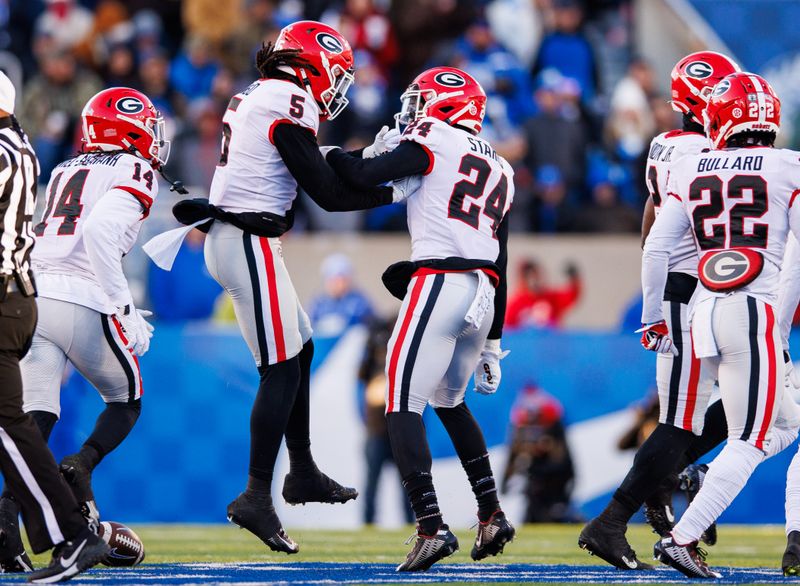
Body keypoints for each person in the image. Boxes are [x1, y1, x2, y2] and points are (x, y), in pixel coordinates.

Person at [164, 21, 416, 554]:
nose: (337, 86)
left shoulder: (261, 93)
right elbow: (325, 193)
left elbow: (315, 171)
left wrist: (363, 163)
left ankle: (300, 471)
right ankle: (257, 493)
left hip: (244, 238)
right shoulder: (287, 98)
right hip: (246, 239)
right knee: (280, 367)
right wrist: (396, 192)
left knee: (299, 348)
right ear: (308, 62)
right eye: (335, 72)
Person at [323, 66, 516, 571]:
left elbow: (363, 177)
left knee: (400, 404)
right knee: (450, 402)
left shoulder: (434, 136)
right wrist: (493, 341)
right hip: (484, 295)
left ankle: (430, 526)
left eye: (420, 101)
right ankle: (492, 512)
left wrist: (337, 155)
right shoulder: (502, 167)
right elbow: (502, 258)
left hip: (440, 282)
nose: (412, 112)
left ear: (444, 105)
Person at [578, 51, 741, 570]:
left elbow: (651, 219)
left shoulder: (665, 145)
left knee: (745, 406)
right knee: (684, 419)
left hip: (692, 288)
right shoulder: (711, 155)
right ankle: (614, 518)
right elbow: (661, 233)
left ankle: (669, 474)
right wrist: (659, 300)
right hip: (696, 290)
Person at [643, 72, 799, 578]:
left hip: (702, 310)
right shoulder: (789, 167)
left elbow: (656, 248)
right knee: (750, 437)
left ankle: (699, 473)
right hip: (754, 308)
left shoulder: (690, 167)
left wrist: (652, 318)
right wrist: (779, 323)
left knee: (786, 421)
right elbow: (796, 262)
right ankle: (681, 539)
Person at [0, 71, 109, 582]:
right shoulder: (18, 146)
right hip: (18, 295)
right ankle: (13, 538)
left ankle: (69, 534)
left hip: (5, 297)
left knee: (10, 425)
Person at [308, 253, 374, 337]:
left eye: (342, 280)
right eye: (333, 280)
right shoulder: (319, 302)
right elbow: (310, 326)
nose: (338, 284)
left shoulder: (359, 301)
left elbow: (372, 323)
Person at [505, 259, 581, 329]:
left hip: (550, 341)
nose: (534, 281)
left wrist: (574, 278)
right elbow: (508, 329)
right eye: (529, 277)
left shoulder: (550, 297)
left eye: (536, 276)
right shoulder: (517, 303)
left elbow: (572, 295)